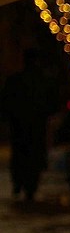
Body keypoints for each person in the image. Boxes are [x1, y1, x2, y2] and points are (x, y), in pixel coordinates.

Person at [0, 48, 60, 201]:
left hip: (22, 125)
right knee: (32, 155)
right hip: (33, 125)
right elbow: (52, 103)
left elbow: (6, 101)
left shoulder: (16, 80)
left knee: (21, 154)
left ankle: (21, 182)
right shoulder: (41, 81)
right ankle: (28, 184)